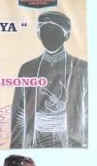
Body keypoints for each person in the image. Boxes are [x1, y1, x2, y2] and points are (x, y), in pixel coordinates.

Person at [11, 11, 89, 149]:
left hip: (71, 140)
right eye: (45, 31)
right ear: (38, 34)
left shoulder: (81, 69)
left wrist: (85, 145)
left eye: (55, 31)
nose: (49, 36)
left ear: (66, 35)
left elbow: (89, 113)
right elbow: (18, 113)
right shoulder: (27, 68)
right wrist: (17, 147)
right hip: (35, 139)